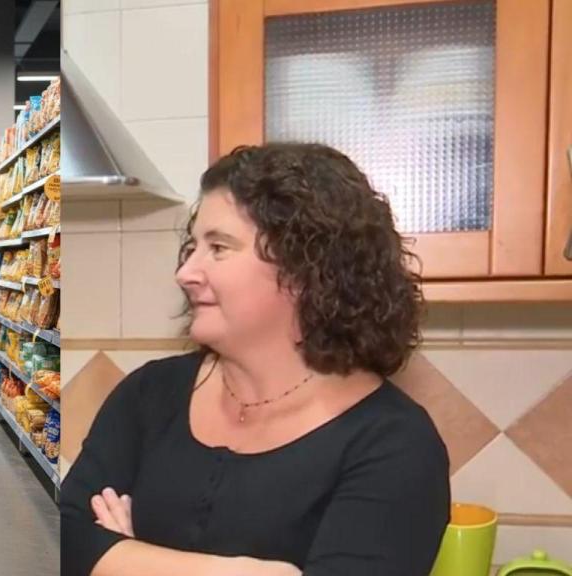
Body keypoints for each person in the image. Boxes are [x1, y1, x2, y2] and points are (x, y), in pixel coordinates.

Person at [61, 143, 450, 576]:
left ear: (307, 269)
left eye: (219, 248)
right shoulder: (149, 395)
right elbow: (66, 540)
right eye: (193, 247)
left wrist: (126, 560)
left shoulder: (395, 445)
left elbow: (91, 557)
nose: (185, 272)